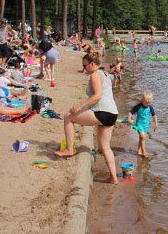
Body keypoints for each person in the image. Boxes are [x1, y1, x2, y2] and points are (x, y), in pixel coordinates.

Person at [55, 52, 119, 184]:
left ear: (92, 64)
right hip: (113, 113)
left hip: (102, 112)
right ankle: (114, 178)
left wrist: (80, 106)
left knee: (68, 117)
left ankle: (69, 149)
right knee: (105, 147)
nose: (84, 69)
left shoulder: (95, 75)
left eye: (85, 66)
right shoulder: (105, 74)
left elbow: (97, 96)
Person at [128, 91, 158, 157]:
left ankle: (139, 151)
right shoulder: (138, 106)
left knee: (142, 138)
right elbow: (131, 112)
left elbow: (154, 115)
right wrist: (129, 118)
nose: (148, 104)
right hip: (139, 124)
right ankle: (144, 152)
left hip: (146, 125)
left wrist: (156, 124)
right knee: (143, 137)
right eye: (146, 103)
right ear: (142, 100)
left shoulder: (150, 107)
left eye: (149, 103)